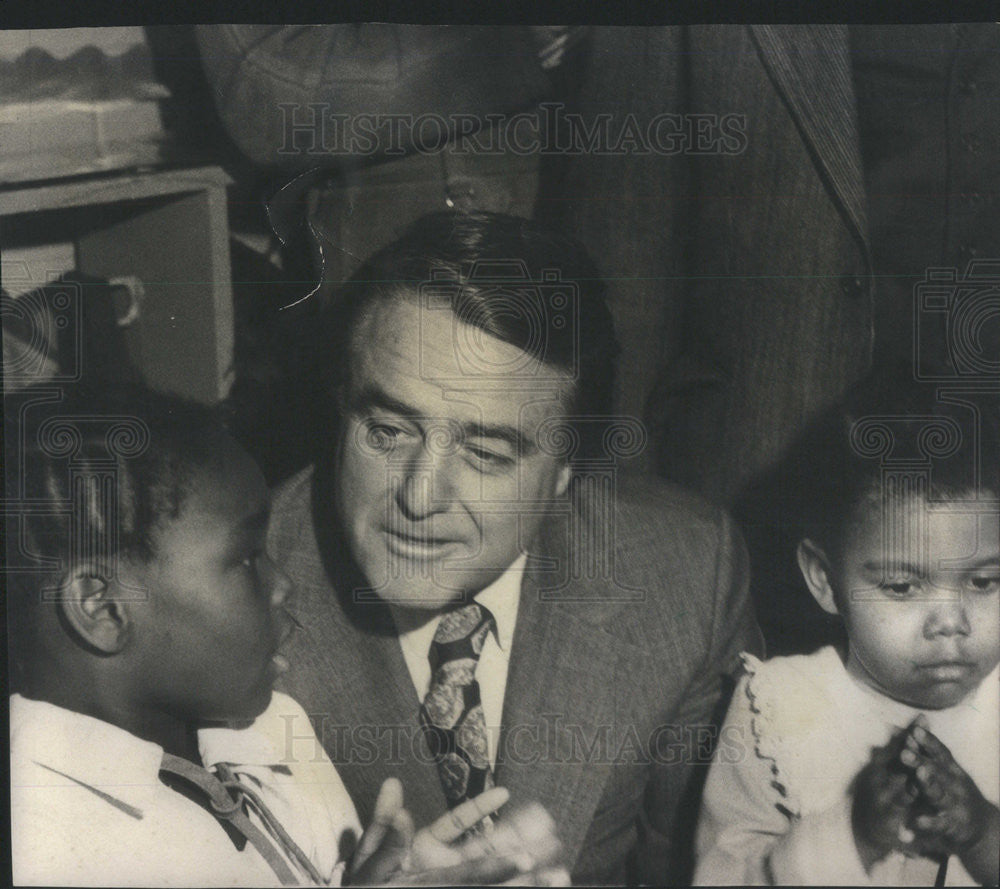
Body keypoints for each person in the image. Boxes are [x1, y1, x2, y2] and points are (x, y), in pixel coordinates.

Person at [267, 210, 763, 884]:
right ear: (342, 405)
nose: (420, 495)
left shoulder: (683, 573)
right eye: (388, 431)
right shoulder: (232, 596)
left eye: (487, 453)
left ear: (566, 472)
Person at [6, 383, 550, 887]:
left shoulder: (269, 731)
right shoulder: (44, 841)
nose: (284, 584)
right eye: (246, 558)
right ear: (104, 609)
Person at [694, 379, 1000, 885]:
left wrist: (984, 834)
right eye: (902, 587)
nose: (951, 622)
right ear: (825, 581)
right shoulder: (777, 710)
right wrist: (853, 835)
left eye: (984, 581)